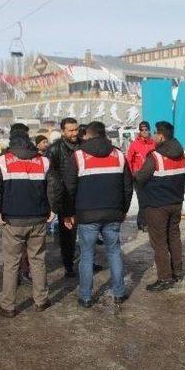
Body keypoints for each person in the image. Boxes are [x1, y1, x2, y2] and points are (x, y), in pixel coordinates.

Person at [62, 121, 133, 308]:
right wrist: (124, 210)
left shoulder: (79, 156)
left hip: (86, 215)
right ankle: (119, 292)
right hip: (112, 213)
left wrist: (68, 213)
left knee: (86, 255)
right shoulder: (119, 155)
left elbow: (69, 187)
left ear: (89, 135)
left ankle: (85, 296)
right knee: (115, 252)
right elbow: (128, 186)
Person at [0, 130, 51, 318]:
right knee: (38, 260)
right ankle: (41, 300)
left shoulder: (3, 161)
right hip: (38, 219)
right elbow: (54, 186)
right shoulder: (43, 161)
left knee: (11, 263)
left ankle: (8, 305)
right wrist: (53, 209)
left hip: (13, 220)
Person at [135, 121, 185, 291]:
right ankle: (177, 271)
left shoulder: (155, 157)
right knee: (174, 237)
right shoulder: (183, 154)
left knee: (159, 242)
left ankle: (165, 277)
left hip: (157, 205)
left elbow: (141, 177)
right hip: (176, 203)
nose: (153, 136)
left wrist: (135, 174)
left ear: (161, 136)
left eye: (156, 133)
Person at [46, 117, 81, 278]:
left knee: (88, 232)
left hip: (84, 195)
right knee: (68, 234)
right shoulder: (54, 149)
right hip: (65, 197)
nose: (74, 133)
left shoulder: (83, 146)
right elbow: (49, 175)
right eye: (71, 130)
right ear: (63, 131)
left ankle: (88, 259)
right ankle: (68, 264)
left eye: (76, 129)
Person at [125, 121, 156, 231]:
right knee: (142, 200)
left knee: (150, 200)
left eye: (146, 130)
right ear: (139, 131)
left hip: (152, 176)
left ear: (149, 130)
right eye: (142, 130)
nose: (144, 132)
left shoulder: (153, 143)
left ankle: (145, 221)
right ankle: (143, 223)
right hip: (139, 176)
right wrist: (132, 173)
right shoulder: (134, 144)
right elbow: (128, 160)